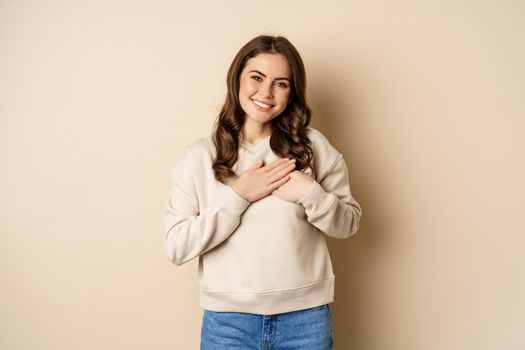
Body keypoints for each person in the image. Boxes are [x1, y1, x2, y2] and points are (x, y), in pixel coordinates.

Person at [163, 34, 362, 350]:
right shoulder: (199, 157)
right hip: (228, 324)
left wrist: (311, 193)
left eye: (281, 83)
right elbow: (177, 247)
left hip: (305, 320)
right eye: (257, 77)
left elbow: (349, 223)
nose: (266, 92)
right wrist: (238, 195)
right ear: (237, 79)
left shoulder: (312, 148)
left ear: (292, 92)